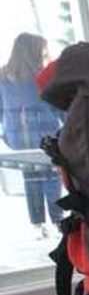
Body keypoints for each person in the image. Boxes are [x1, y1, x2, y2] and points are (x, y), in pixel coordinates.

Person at [0, 32, 65, 237]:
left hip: (17, 137)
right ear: (34, 52)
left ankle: (38, 224)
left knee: (31, 177)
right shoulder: (42, 76)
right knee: (52, 176)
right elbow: (58, 106)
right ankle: (57, 220)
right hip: (44, 133)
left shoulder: (2, 76)